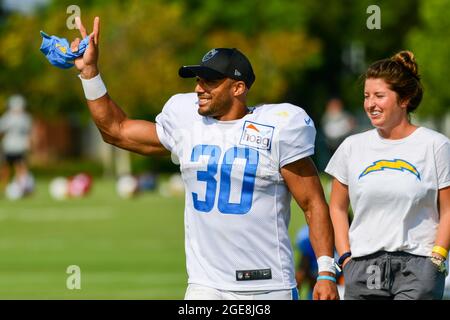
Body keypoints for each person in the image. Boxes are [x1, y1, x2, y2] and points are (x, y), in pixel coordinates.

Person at [64, 16, 339, 300]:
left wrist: (326, 272)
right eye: (198, 80)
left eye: (210, 81)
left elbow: (312, 204)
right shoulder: (187, 120)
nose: (199, 88)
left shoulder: (278, 126)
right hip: (205, 285)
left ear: (238, 88)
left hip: (267, 285)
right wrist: (90, 73)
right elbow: (116, 131)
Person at [325, 50, 450, 300]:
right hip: (362, 268)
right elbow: (337, 207)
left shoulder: (435, 145)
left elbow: (448, 208)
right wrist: (346, 258)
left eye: (379, 96)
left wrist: (437, 256)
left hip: (417, 268)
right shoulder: (351, 146)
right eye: (366, 96)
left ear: (404, 100)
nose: (370, 104)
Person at [295, 225, 345, 300]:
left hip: (340, 291)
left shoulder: (346, 241)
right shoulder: (308, 242)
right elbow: (301, 274)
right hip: (316, 293)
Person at [0, 94, 33, 196]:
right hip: (9, 146)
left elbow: (29, 133)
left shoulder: (25, 118)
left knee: (21, 168)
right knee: (5, 169)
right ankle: (4, 188)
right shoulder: (7, 117)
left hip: (20, 147)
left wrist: (29, 144)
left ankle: (21, 188)